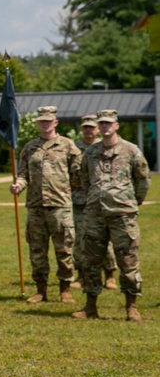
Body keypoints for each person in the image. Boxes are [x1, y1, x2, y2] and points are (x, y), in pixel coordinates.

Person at [72, 110, 151, 322]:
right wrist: (95, 199)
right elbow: (85, 179)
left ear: (116, 126)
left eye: (109, 123)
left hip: (122, 216)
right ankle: (90, 307)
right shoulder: (90, 153)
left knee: (128, 262)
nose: (105, 127)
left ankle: (131, 307)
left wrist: (132, 202)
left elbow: (142, 180)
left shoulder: (131, 151)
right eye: (102, 124)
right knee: (90, 262)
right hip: (95, 215)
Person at [10, 106, 81, 304]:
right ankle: (41, 290)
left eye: (48, 121)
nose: (45, 124)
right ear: (37, 123)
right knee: (37, 251)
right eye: (41, 121)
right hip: (36, 207)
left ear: (55, 123)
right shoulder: (30, 147)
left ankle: (65, 289)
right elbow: (24, 174)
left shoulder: (67, 145)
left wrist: (67, 192)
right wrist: (18, 185)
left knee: (64, 250)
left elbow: (78, 174)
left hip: (60, 207)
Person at [72, 114, 118, 291]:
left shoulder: (106, 146)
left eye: (91, 126)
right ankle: (82, 275)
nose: (88, 130)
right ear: (81, 128)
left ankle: (110, 275)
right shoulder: (74, 148)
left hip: (102, 200)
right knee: (81, 240)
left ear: (97, 128)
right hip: (79, 201)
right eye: (85, 127)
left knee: (104, 241)